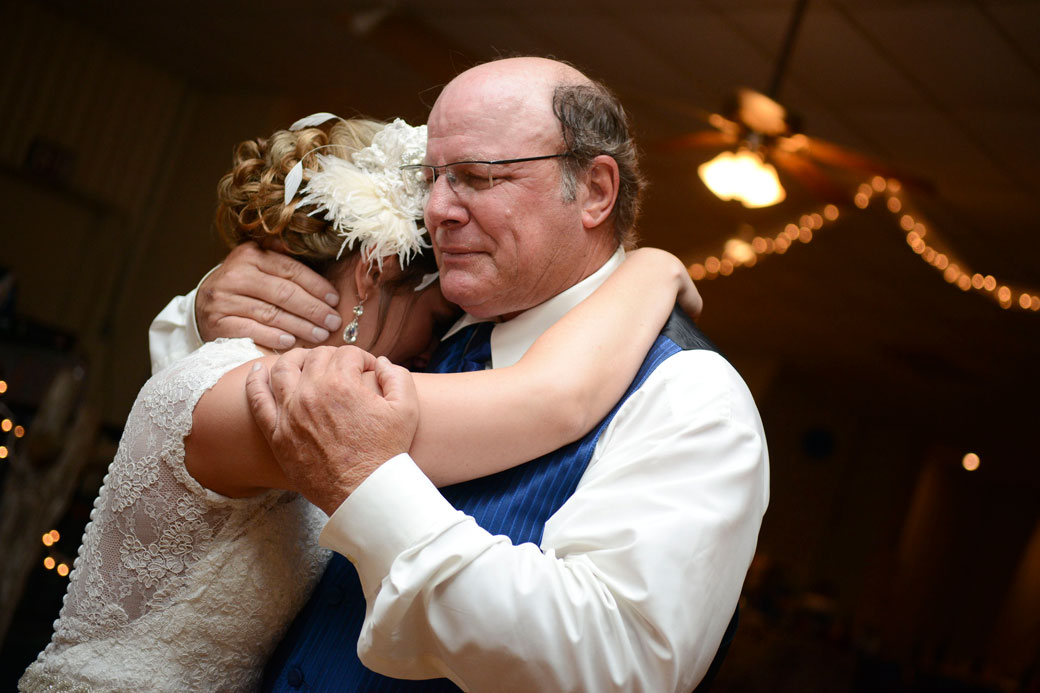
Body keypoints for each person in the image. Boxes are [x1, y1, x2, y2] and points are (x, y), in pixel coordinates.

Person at [19, 113, 702, 692]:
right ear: (377, 269)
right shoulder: (261, 394)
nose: (437, 351)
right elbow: (551, 398)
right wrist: (648, 269)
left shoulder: (275, 380)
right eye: (438, 319)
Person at [177, 57, 770, 691]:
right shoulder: (425, 316)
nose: (436, 211)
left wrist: (370, 490)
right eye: (429, 179)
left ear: (596, 191)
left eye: (476, 178)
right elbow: (188, 409)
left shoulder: (687, 397)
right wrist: (208, 299)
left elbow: (613, 666)